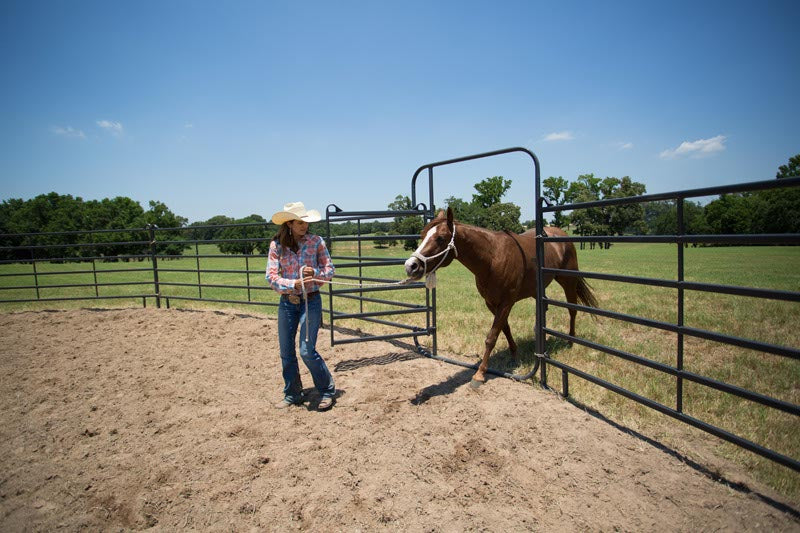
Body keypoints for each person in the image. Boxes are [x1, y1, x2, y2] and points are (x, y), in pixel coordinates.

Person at [266, 201, 336, 411]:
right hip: (288, 302)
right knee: (286, 352)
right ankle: (292, 393)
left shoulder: (316, 242)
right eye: (299, 222)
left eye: (305, 222)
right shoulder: (276, 245)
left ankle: (326, 391)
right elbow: (270, 276)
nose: (304, 226)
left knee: (306, 350)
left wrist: (315, 274)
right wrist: (292, 284)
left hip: (311, 300)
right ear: (289, 224)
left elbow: (330, 270)